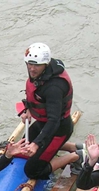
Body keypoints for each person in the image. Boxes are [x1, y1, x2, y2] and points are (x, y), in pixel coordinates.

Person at [19, 42, 82, 180]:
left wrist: (36, 144)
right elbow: (34, 94)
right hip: (43, 123)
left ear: (46, 64)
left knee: (32, 170)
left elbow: (54, 121)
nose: (32, 68)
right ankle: (72, 146)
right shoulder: (39, 75)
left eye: (36, 65)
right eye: (29, 63)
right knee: (23, 149)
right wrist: (28, 109)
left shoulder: (54, 88)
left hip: (58, 129)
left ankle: (76, 156)